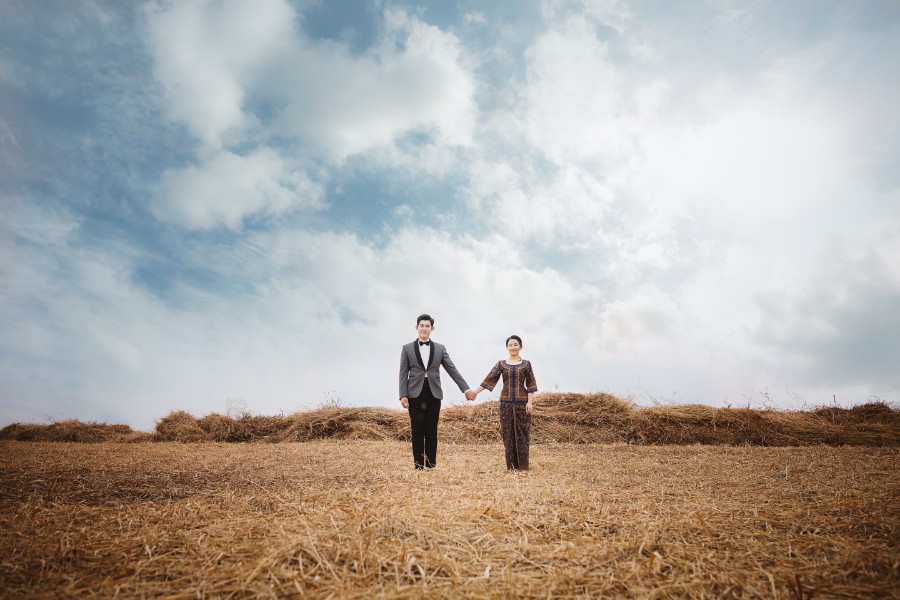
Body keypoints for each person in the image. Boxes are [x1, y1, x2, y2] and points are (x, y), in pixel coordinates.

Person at [399, 314, 476, 469]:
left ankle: (431, 464)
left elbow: (451, 369)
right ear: (417, 327)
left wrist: (466, 389)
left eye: (427, 326)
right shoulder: (407, 348)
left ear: (432, 329)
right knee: (417, 430)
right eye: (422, 325)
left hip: (434, 393)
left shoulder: (440, 348)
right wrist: (403, 394)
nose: (424, 328)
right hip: (415, 393)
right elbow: (403, 372)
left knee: (431, 429)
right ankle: (419, 465)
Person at [468, 335, 538, 471]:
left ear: (521, 347)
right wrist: (475, 392)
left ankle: (523, 467)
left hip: (522, 403)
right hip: (505, 403)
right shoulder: (501, 364)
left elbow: (530, 384)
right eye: (510, 345)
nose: (513, 347)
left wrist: (530, 402)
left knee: (523, 433)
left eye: (516, 344)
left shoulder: (526, 364)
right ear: (507, 347)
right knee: (507, 433)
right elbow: (489, 379)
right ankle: (511, 467)